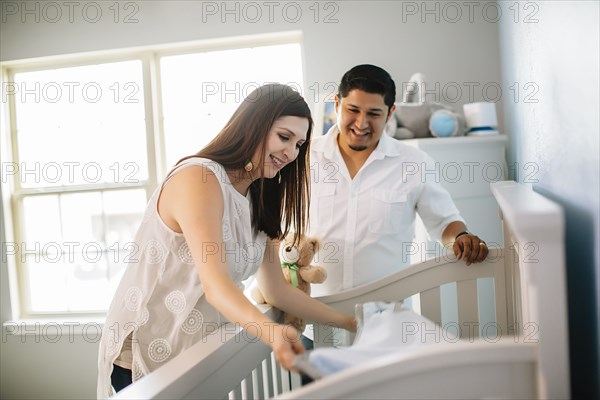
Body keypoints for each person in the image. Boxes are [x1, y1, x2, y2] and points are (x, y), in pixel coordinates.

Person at [97, 83, 356, 398]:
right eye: (284, 137)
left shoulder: (259, 194)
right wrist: (272, 333)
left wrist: (351, 322)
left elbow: (276, 290)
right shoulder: (199, 178)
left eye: (300, 144)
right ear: (253, 127)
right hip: (146, 351)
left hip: (193, 352)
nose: (291, 153)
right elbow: (216, 287)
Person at [308, 64, 489, 298]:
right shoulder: (303, 157)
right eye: (353, 110)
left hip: (387, 317)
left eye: (374, 114)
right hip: (313, 315)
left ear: (390, 113)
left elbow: (445, 222)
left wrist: (461, 237)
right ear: (336, 105)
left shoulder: (414, 163)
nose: (361, 123)